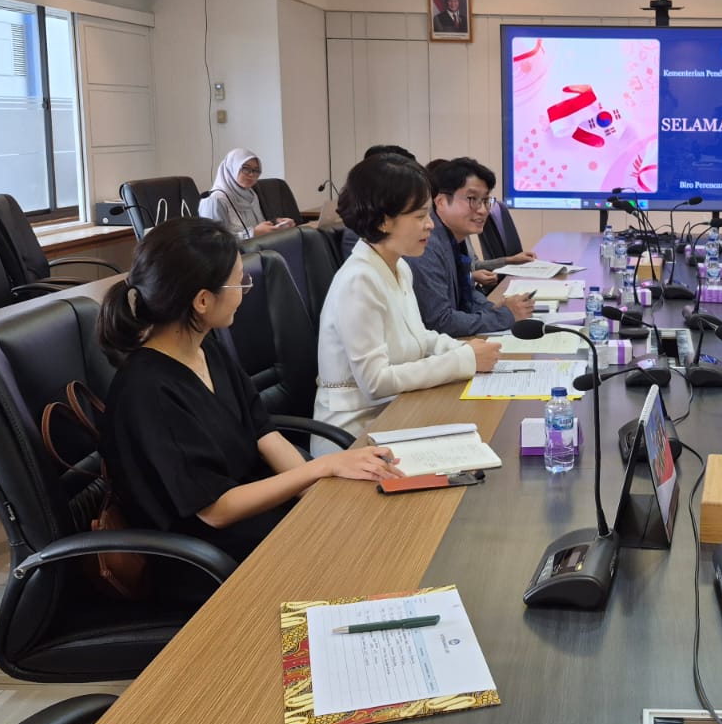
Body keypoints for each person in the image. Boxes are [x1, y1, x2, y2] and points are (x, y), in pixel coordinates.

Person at [98, 217, 403, 590]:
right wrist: (321, 468)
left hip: (254, 518)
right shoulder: (148, 390)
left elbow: (263, 432)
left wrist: (318, 493)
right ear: (202, 300)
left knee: (367, 524)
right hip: (204, 555)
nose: (244, 291)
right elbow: (216, 510)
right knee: (358, 561)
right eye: (239, 282)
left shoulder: (204, 349)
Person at [315, 156, 502, 447]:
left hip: (397, 410)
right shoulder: (358, 280)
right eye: (419, 216)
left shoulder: (399, 266)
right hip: (356, 432)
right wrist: (464, 360)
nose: (430, 225)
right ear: (384, 221)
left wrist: (465, 349)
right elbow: (376, 382)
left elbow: (420, 337)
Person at [407, 157, 537, 335]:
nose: (483, 210)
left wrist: (495, 308)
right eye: (472, 199)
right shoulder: (427, 245)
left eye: (486, 200)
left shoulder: (455, 237)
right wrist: (505, 316)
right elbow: (440, 322)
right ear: (441, 201)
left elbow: (467, 293)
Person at [198, 148, 294, 239]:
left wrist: (275, 223)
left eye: (256, 170)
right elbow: (212, 242)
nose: (251, 174)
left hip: (259, 247)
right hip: (238, 251)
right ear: (231, 168)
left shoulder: (251, 194)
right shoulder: (214, 201)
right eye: (246, 168)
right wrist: (253, 233)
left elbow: (256, 226)